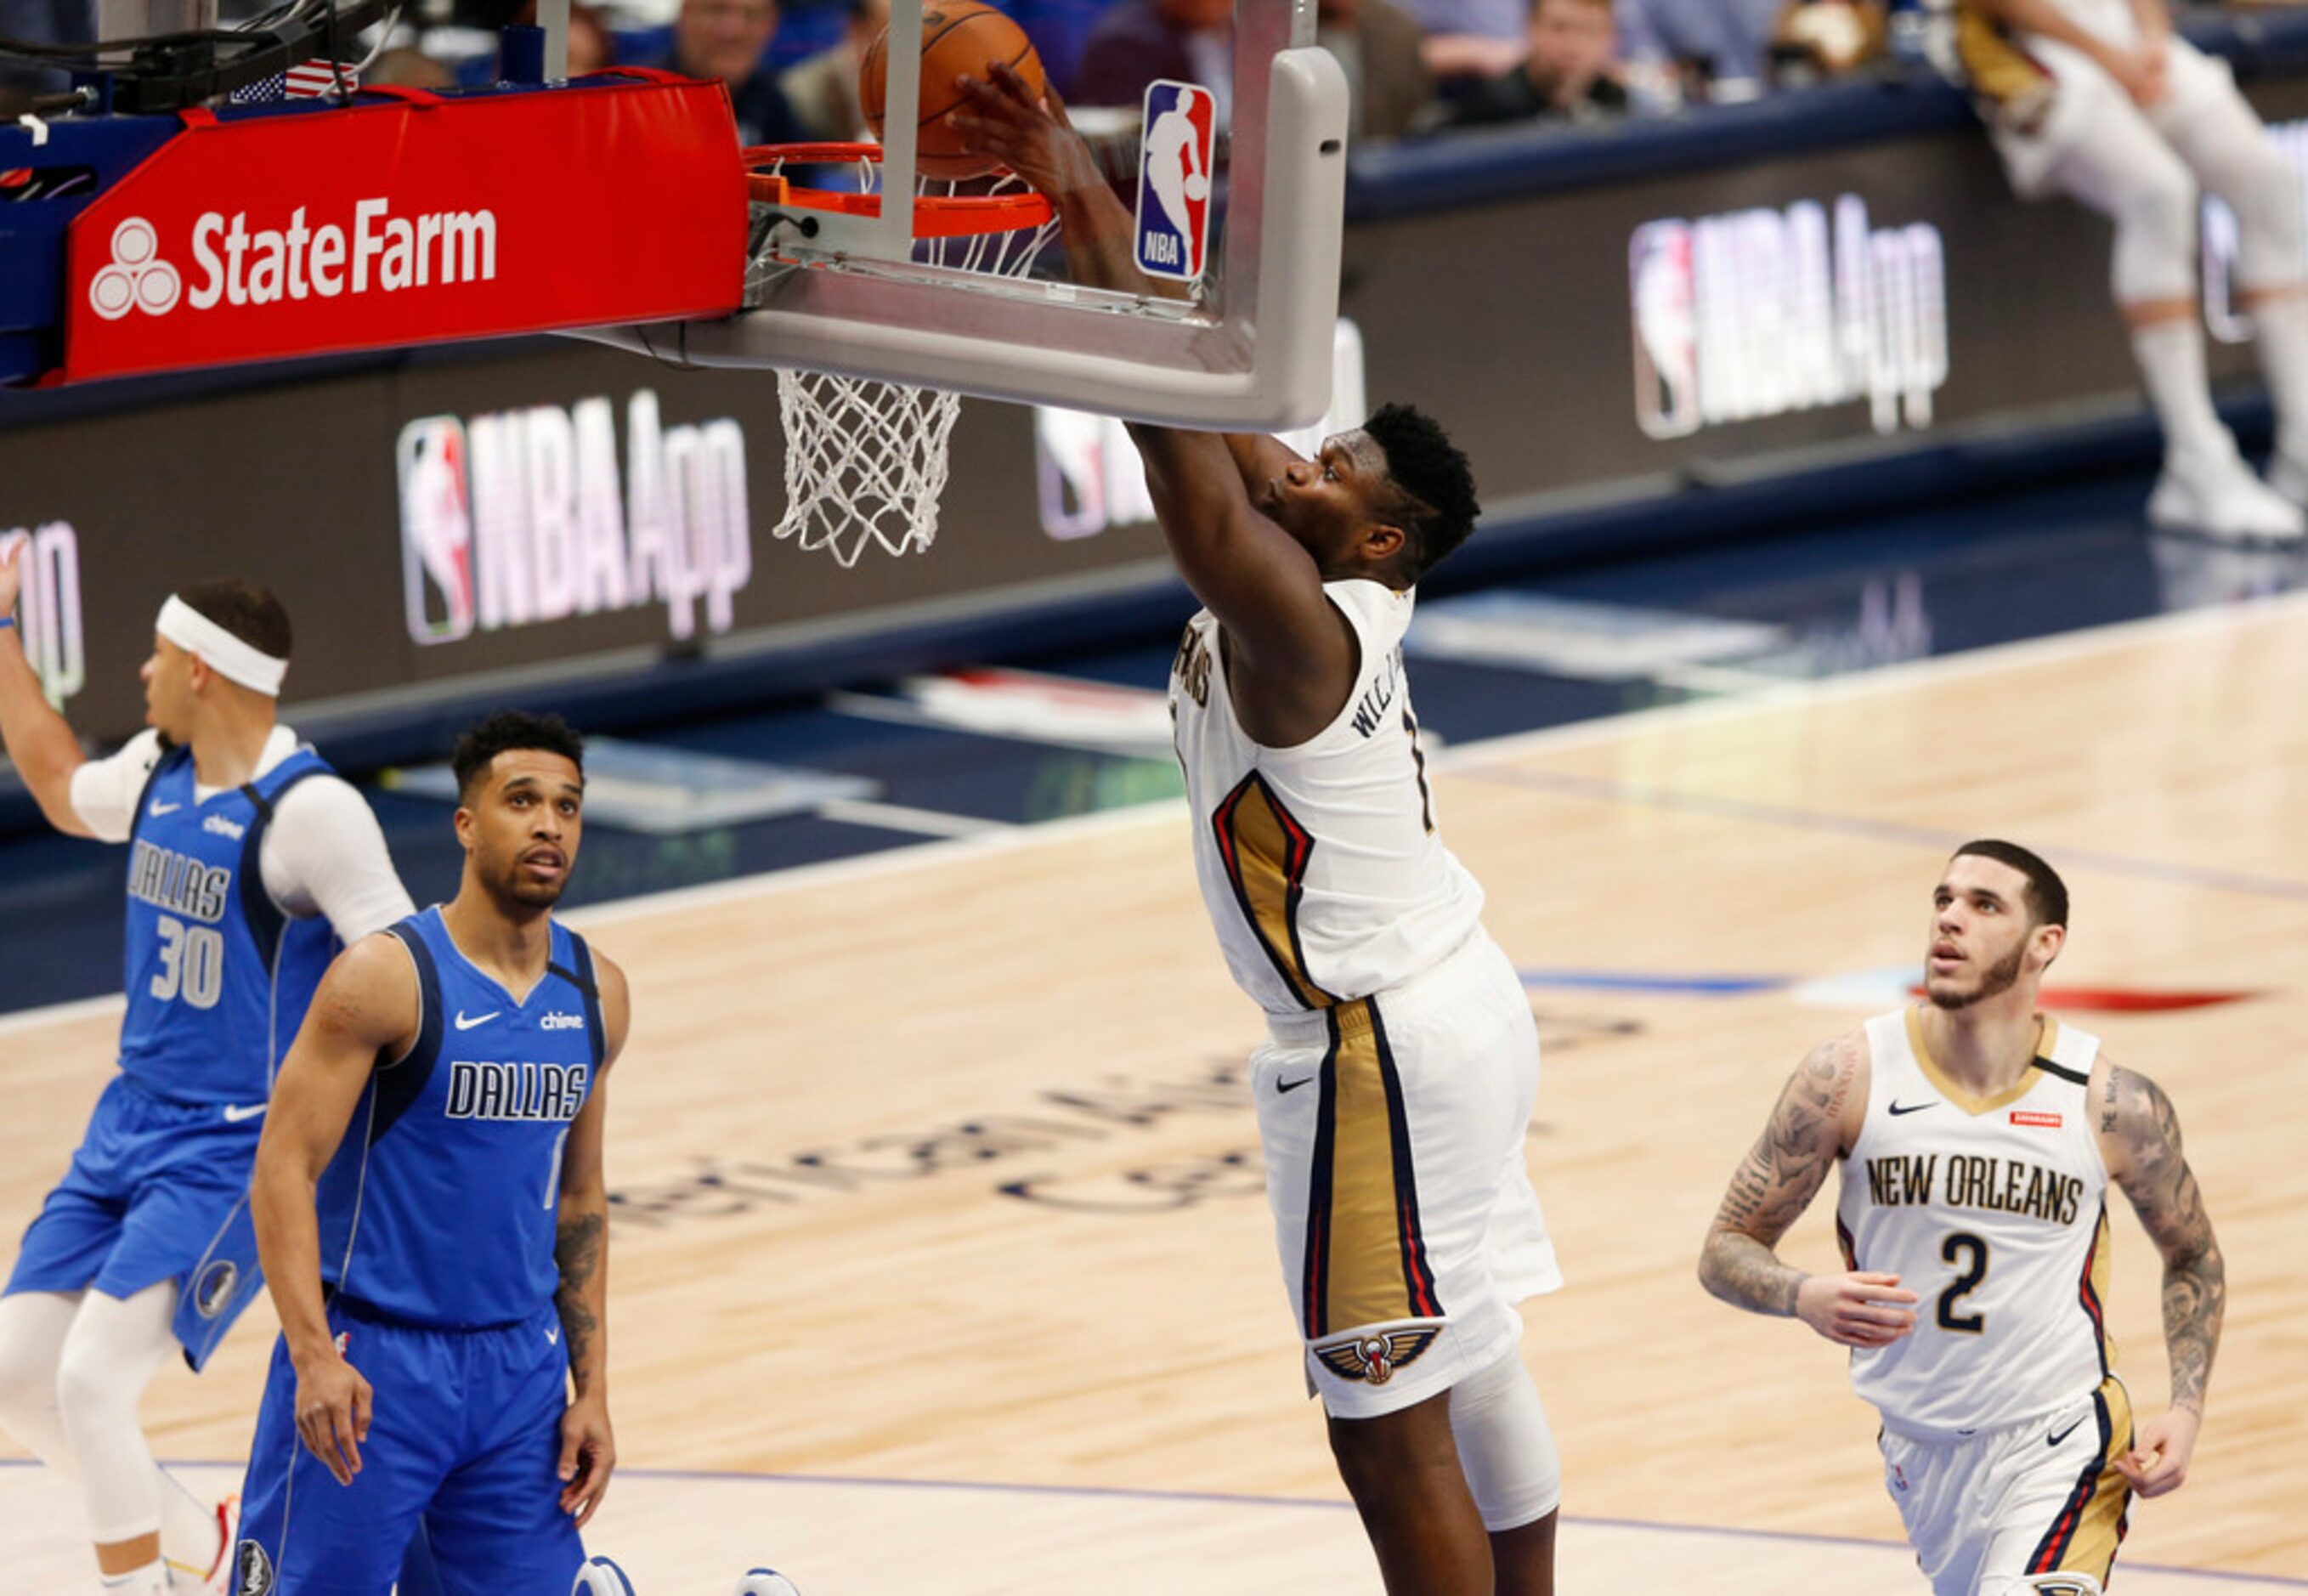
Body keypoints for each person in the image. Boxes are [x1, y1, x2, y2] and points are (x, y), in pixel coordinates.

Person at [953, 71, 1564, 1596]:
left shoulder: (1296, 616)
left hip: (1377, 1043)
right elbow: (1210, 399)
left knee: (1386, 1427)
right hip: (1449, 1002)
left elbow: (1178, 442)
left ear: (1373, 533)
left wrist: (1062, 185)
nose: (1297, 456)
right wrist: (1090, 190)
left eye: (1331, 465)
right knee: (1470, 1347)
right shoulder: (1339, 583)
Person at [0, 560, 412, 1596]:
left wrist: (364, 1141)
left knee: (93, 1383)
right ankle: (199, 1545)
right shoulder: (153, 772)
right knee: (16, 1377)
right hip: (124, 1125)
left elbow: (409, 976)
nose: (139, 671)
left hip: (231, 1146)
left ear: (198, 669)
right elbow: (53, 780)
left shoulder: (311, 813)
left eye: (153, 653)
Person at [1698, 841, 2225, 1596]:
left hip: (2063, 1439)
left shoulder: (2109, 1103)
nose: (1950, 920)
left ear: (2045, 945)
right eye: (1944, 900)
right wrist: (1801, 1295)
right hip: (1920, 1450)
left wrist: (2186, 1406)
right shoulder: (1848, 1077)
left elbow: (2193, 1254)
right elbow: (1725, 1247)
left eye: (1984, 906)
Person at [233, 710, 626, 1596]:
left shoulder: (596, 990)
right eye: (520, 801)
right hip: (373, 1369)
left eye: (566, 806)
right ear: (465, 823)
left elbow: (582, 1198)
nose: (547, 825)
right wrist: (311, 1356)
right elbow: (280, 1168)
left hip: (518, 1378)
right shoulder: (385, 977)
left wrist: (590, 1388)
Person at [1960, 0, 2308, 541]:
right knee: (2159, 196)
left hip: (2125, 36)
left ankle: (2303, 450)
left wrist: (2148, 38)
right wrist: (2107, 56)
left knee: (2268, 184)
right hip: (2029, 54)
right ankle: (2197, 464)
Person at [1427, 0, 1626, 129]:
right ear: (1531, 29)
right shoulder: (1494, 110)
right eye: (1559, 29)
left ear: (1611, 40)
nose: (1572, 47)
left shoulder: (1615, 100)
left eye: (1588, 32)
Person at [648, 0, 805, 146]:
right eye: (716, 11)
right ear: (684, 15)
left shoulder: (773, 104)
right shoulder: (637, 100)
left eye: (752, 15)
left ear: (771, 26)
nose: (733, 31)